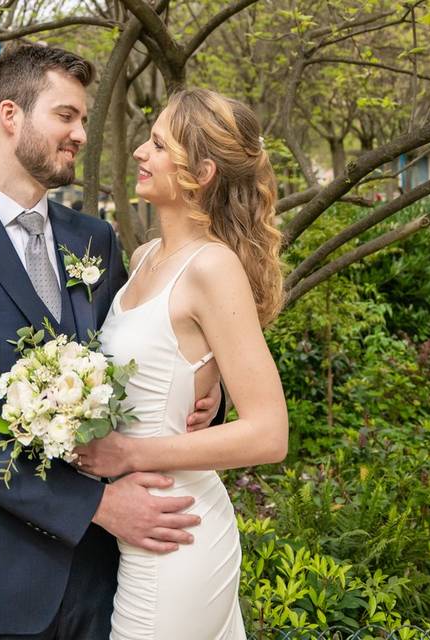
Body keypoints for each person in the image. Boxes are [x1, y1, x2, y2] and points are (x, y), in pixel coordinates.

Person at [0, 45, 223, 640]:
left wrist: (204, 380)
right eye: (66, 116)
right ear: (10, 115)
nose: (79, 134)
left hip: (100, 578)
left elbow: (135, 355)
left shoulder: (94, 240)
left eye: (83, 120)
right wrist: (95, 506)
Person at [73, 88, 290, 639]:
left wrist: (131, 451)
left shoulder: (212, 267)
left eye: (159, 145)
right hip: (137, 530)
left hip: (179, 530)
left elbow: (269, 433)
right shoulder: (145, 257)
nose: (141, 153)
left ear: (204, 171)